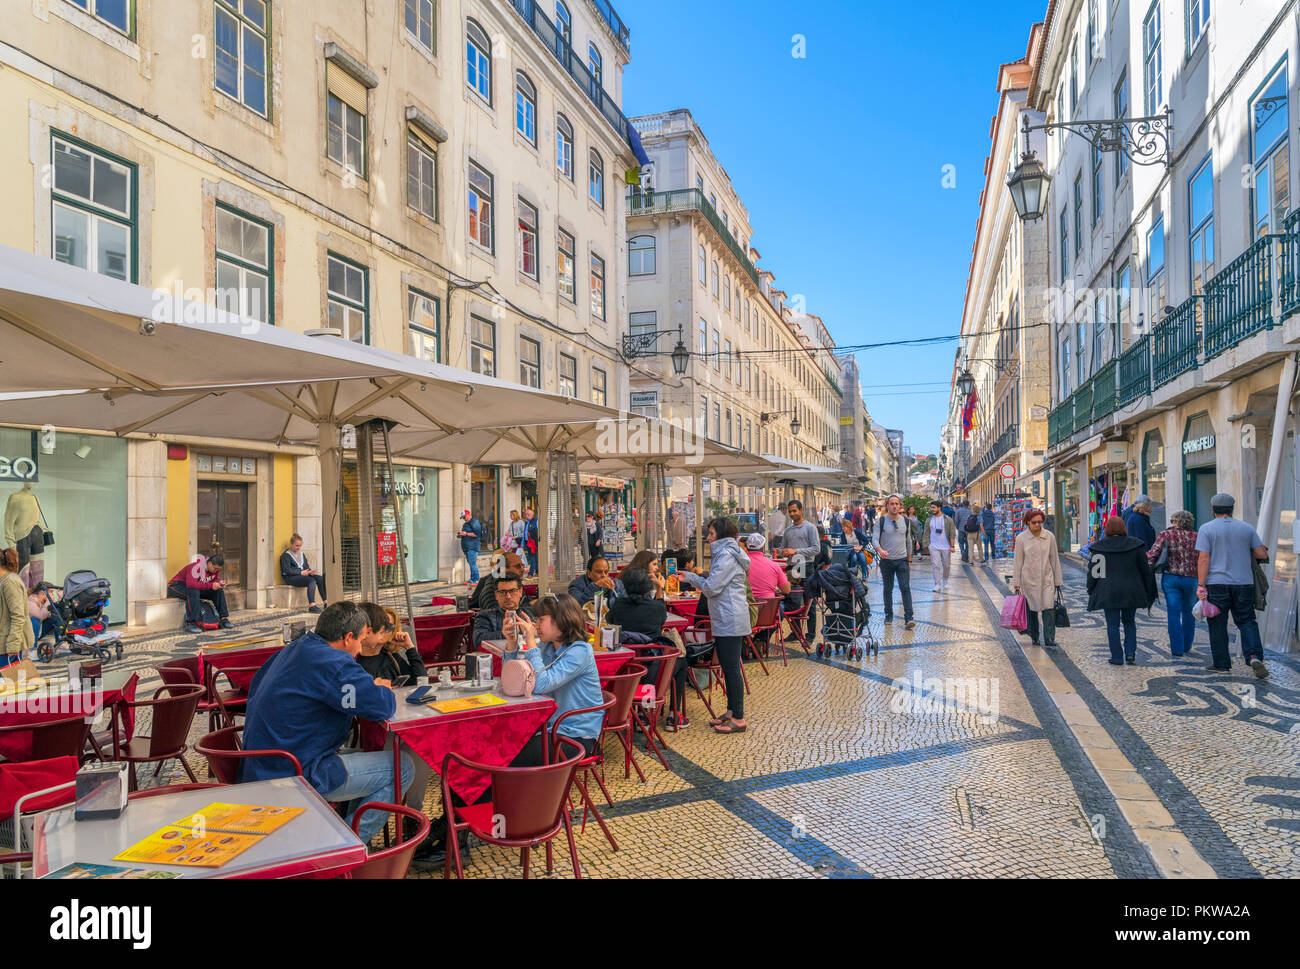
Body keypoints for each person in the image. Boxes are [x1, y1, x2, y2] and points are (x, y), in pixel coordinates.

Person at [241, 601, 412, 844]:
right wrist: (378, 688)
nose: (360, 651)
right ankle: (344, 845)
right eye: (360, 641)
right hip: (297, 771)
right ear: (348, 637)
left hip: (260, 763)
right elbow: (381, 706)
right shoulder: (334, 663)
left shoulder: (293, 649)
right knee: (403, 767)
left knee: (366, 755)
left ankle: (343, 832)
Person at [503, 594, 604, 762]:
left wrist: (531, 643)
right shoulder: (547, 647)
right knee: (498, 745)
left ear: (561, 620)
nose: (536, 625)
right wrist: (512, 644)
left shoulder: (581, 651)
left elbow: (541, 684)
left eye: (541, 619)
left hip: (576, 736)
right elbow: (517, 683)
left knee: (508, 756)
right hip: (548, 729)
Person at [677, 517, 752, 734]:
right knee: (729, 668)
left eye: (711, 534)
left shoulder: (726, 555)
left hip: (730, 618)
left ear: (721, 534)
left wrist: (691, 577)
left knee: (731, 668)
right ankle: (731, 711)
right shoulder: (727, 553)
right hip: (727, 617)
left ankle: (738, 718)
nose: (708, 538)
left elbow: (711, 587)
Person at [1195, 493, 1269, 678]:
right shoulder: (1246, 528)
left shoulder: (1206, 529)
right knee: (1246, 621)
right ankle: (1254, 655)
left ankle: (1221, 664)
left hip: (1216, 583)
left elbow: (1204, 558)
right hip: (1244, 583)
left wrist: (1201, 585)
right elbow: (1261, 553)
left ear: (1212, 509)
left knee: (1217, 624)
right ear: (1232, 508)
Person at [1086, 516, 1157, 666]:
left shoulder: (1099, 547)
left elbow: (1095, 573)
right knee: (1129, 622)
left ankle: (1117, 657)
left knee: (1112, 625)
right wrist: (1147, 590)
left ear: (1107, 529)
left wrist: (1090, 588)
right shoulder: (1136, 546)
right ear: (1124, 527)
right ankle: (1130, 654)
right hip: (1131, 590)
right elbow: (1145, 571)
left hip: (1108, 591)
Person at [1147, 510, 1199, 658]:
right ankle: (1187, 645)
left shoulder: (1166, 535)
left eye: (1172, 521)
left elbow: (1153, 554)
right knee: (1189, 612)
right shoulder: (1197, 536)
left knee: (1173, 613)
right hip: (1192, 578)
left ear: (1177, 522)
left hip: (1171, 578)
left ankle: (1177, 649)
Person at [1013, 508, 1063, 648]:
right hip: (1029, 580)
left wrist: (1057, 581)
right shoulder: (1021, 539)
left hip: (1047, 579)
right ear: (1028, 522)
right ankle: (1034, 636)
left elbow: (1054, 559)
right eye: (1034, 522)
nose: (1037, 525)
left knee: (1049, 609)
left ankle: (1049, 638)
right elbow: (1018, 562)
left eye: (1040, 522)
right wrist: (1016, 583)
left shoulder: (1049, 537)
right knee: (1032, 610)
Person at [873, 494, 915, 629]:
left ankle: (909, 618)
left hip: (902, 560)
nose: (895, 506)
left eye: (897, 504)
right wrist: (880, 550)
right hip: (887, 561)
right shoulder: (881, 522)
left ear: (900, 505)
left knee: (905, 588)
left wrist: (909, 559)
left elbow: (909, 541)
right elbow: (874, 539)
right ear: (887, 505)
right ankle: (888, 615)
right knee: (888, 589)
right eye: (892, 504)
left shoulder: (906, 521)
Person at [167, 550, 231, 633]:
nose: (216, 571)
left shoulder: (215, 569)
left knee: (218, 591)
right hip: (176, 586)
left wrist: (218, 584)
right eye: (215, 568)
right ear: (209, 563)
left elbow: (214, 580)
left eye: (218, 569)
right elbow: (191, 584)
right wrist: (211, 585)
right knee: (193, 592)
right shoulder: (195, 567)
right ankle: (191, 622)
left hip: (194, 588)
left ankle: (223, 618)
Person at [472, 570, 533, 648]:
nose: (508, 596)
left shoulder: (530, 614)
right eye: (503, 592)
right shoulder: (485, 616)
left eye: (512, 591)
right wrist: (505, 634)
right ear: (496, 595)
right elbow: (478, 640)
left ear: (520, 592)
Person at [606, 568, 668, 638]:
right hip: (652, 647)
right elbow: (662, 618)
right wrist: (659, 588)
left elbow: (609, 620)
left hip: (625, 647)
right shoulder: (657, 607)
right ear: (648, 588)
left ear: (625, 587)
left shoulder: (619, 604)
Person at [1, 548, 35, 662]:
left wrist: (13, 645)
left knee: (9, 679)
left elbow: (18, 616)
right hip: (4, 644)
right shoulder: (4, 581)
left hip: (7, 647)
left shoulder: (10, 582)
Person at [280, 533, 326, 614]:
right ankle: (312, 605)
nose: (298, 547)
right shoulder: (285, 556)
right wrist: (300, 572)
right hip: (291, 578)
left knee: (319, 578)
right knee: (311, 581)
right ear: (291, 544)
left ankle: (326, 602)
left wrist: (309, 572)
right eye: (296, 545)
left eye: (300, 546)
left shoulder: (301, 554)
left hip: (302, 575)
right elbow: (287, 570)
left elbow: (306, 567)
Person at [921, 500, 956, 593]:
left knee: (946, 565)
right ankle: (937, 584)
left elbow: (952, 533)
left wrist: (952, 546)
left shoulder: (948, 519)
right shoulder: (929, 520)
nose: (932, 509)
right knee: (935, 565)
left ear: (939, 508)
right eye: (931, 507)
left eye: (933, 507)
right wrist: (927, 545)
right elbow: (926, 533)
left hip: (946, 546)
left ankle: (945, 580)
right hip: (933, 546)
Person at [744, 533, 791, 601]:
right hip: (768, 609)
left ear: (747, 547)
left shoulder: (739, 564)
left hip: (745, 608)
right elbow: (787, 590)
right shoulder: (774, 565)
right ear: (763, 548)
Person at [458, 510, 484, 585]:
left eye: (464, 517)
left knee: (472, 563)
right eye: (463, 518)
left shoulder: (474, 522)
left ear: (469, 515)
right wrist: (461, 534)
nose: (464, 519)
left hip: (472, 546)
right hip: (467, 546)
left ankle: (476, 579)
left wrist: (466, 534)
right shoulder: (466, 523)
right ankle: (472, 578)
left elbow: (477, 534)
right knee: (471, 563)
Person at [521, 507, 539, 576]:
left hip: (533, 543)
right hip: (527, 543)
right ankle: (537, 572)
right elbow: (524, 533)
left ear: (532, 515)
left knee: (532, 558)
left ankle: (531, 573)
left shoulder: (536, 521)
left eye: (528, 514)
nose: (527, 515)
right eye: (526, 514)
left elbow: (538, 533)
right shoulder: (526, 522)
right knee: (534, 558)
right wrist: (522, 544)